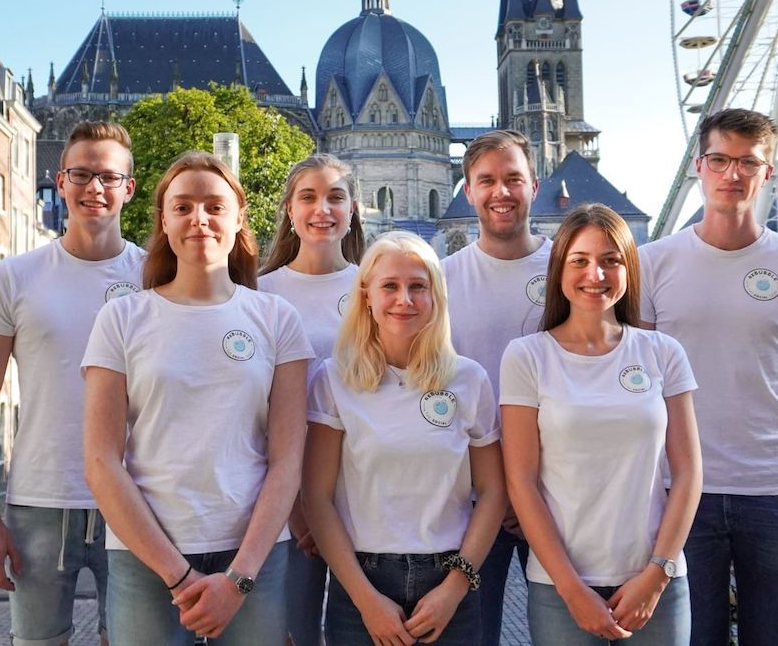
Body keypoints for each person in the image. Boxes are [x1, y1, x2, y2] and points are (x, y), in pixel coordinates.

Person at [81, 150, 312, 645]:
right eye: (182, 206)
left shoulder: (276, 319)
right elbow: (101, 461)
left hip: (252, 553)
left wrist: (240, 577)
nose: (199, 219)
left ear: (239, 217)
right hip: (145, 555)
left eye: (214, 205)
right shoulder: (122, 320)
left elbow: (287, 459)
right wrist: (178, 576)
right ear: (163, 219)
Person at [638, 109, 778, 645]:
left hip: (775, 489)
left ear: (767, 171)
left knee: (773, 637)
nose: (733, 175)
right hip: (678, 490)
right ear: (698, 167)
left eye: (748, 163)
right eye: (720, 160)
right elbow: (632, 389)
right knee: (691, 638)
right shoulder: (650, 264)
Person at [0, 120, 144, 646]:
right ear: (60, 182)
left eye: (109, 177)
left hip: (137, 498)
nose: (95, 188)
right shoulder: (14, 278)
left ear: (128, 189)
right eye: (82, 174)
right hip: (39, 501)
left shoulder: (155, 278)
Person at [501, 204, 702, 645]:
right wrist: (572, 590)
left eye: (611, 260)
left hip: (655, 581)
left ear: (628, 269)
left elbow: (688, 473)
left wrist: (658, 573)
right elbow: (521, 482)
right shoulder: (527, 357)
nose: (596, 274)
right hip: (560, 586)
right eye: (580, 260)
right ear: (559, 271)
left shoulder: (662, 352)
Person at [304, 231, 506, 645]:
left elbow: (493, 491)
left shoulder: (468, 379)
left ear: (436, 296)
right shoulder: (335, 379)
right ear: (367, 297)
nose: (405, 299)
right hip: (362, 582)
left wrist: (455, 588)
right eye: (390, 286)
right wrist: (365, 600)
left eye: (418, 286)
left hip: (450, 578)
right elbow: (317, 497)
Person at [441, 129, 549, 643]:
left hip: (558, 492)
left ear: (535, 184)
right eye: (487, 181)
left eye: (513, 179)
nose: (500, 192)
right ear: (468, 190)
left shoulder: (571, 272)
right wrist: (499, 491)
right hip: (472, 498)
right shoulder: (441, 281)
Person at [257, 153, 365, 646]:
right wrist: (298, 507)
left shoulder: (375, 288)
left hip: (361, 496)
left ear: (354, 209)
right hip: (284, 500)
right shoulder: (260, 294)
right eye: (309, 197)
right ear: (290, 210)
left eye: (336, 197)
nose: (323, 209)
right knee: (291, 632)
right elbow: (254, 409)